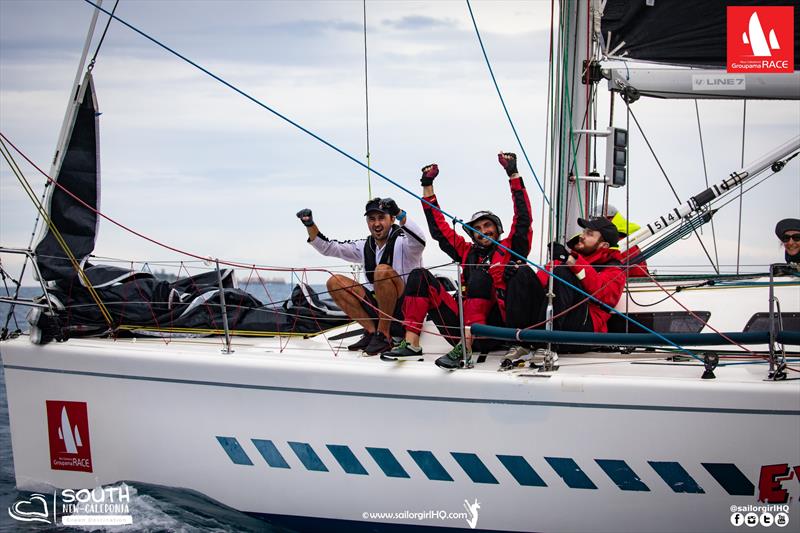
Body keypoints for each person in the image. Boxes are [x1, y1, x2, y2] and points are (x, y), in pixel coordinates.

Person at [380, 153, 532, 368]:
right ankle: (411, 344)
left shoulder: (512, 248)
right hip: (460, 329)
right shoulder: (466, 252)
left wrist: (513, 174)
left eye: (487, 226)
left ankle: (465, 350)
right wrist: (427, 184)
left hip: (494, 330)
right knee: (419, 275)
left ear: (497, 230)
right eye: (477, 229)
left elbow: (523, 218)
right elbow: (439, 229)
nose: (483, 231)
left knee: (479, 275)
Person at [296, 197, 426, 355]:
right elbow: (329, 248)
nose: (376, 224)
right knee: (334, 282)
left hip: (404, 311)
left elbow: (420, 241)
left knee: (382, 271)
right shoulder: (364, 245)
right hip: (378, 309)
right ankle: (372, 333)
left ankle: (384, 335)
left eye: (381, 218)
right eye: (372, 219)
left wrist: (399, 213)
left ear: (391, 219)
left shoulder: (405, 242)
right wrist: (310, 224)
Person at [502, 216, 626, 359]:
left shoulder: (614, 269)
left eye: (589, 234)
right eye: (584, 231)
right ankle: (519, 343)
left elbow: (603, 294)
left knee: (563, 273)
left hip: (581, 333)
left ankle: (546, 345)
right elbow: (540, 283)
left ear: (603, 245)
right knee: (521, 272)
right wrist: (514, 274)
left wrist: (571, 262)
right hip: (551, 324)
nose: (582, 236)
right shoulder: (564, 260)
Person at [571, 204, 649, 278]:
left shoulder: (618, 242)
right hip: (635, 282)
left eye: (597, 220)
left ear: (610, 219)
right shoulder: (625, 239)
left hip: (631, 284)